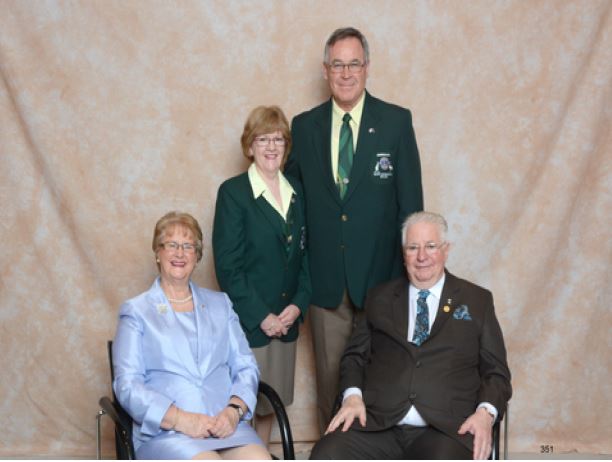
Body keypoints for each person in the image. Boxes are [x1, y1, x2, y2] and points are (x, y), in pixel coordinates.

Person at [284, 26, 424, 432]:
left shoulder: (396, 122)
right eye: (338, 64)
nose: (346, 73)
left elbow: (412, 206)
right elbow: (291, 203)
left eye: (354, 64)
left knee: (382, 379)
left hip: (383, 280)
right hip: (327, 283)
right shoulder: (304, 126)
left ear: (367, 68)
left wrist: (410, 279)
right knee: (332, 385)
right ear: (326, 70)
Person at [310, 211, 512, 460]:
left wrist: (485, 414)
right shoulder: (379, 297)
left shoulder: (476, 300)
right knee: (327, 454)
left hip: (446, 430)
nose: (422, 257)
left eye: (430, 246)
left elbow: (496, 373)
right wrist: (352, 397)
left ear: (446, 249)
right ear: (403, 253)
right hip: (377, 424)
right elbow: (354, 357)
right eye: (413, 247)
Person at [112, 211, 270, 460]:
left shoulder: (221, 304)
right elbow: (127, 385)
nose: (179, 253)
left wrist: (233, 411)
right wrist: (180, 419)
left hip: (225, 427)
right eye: (171, 245)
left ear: (197, 256)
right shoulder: (137, 311)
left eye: (188, 246)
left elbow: (246, 365)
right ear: (157, 252)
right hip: (168, 432)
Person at [212, 106, 311, 445]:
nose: (272, 147)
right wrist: (261, 316)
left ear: (286, 146)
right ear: (249, 146)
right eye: (263, 139)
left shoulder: (297, 191)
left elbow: (307, 255)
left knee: (272, 405)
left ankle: (261, 454)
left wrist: (298, 306)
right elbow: (228, 267)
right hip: (252, 323)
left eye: (279, 139)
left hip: (287, 321)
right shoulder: (234, 193)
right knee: (246, 404)